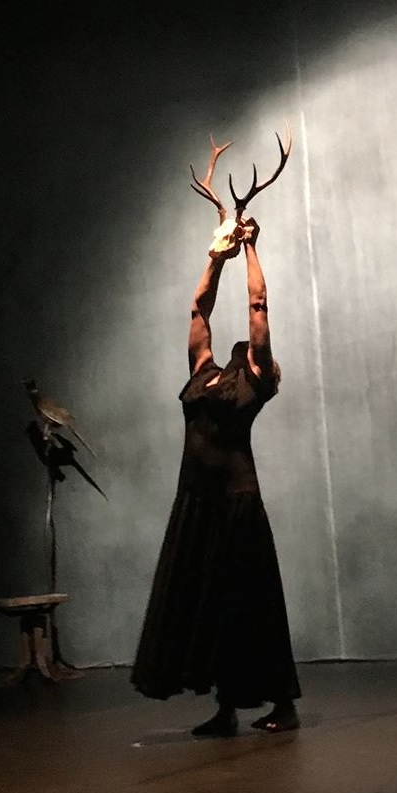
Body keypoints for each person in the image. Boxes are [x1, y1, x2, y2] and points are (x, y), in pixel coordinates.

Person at [131, 215, 301, 736]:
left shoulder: (256, 380)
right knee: (209, 606)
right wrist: (215, 257)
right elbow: (198, 309)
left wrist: (251, 248)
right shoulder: (203, 373)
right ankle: (226, 710)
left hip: (236, 502)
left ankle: (283, 705)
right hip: (197, 502)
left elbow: (258, 305)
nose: (249, 342)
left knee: (249, 602)